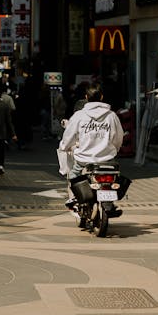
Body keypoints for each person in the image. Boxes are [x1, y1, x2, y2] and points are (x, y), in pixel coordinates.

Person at [59, 84, 124, 216]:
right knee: (114, 178)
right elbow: (119, 137)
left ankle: (75, 199)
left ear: (86, 97)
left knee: (73, 175)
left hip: (84, 159)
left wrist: (64, 147)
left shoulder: (79, 115)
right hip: (107, 160)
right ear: (101, 97)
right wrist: (114, 150)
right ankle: (109, 201)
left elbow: (69, 136)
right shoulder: (111, 116)